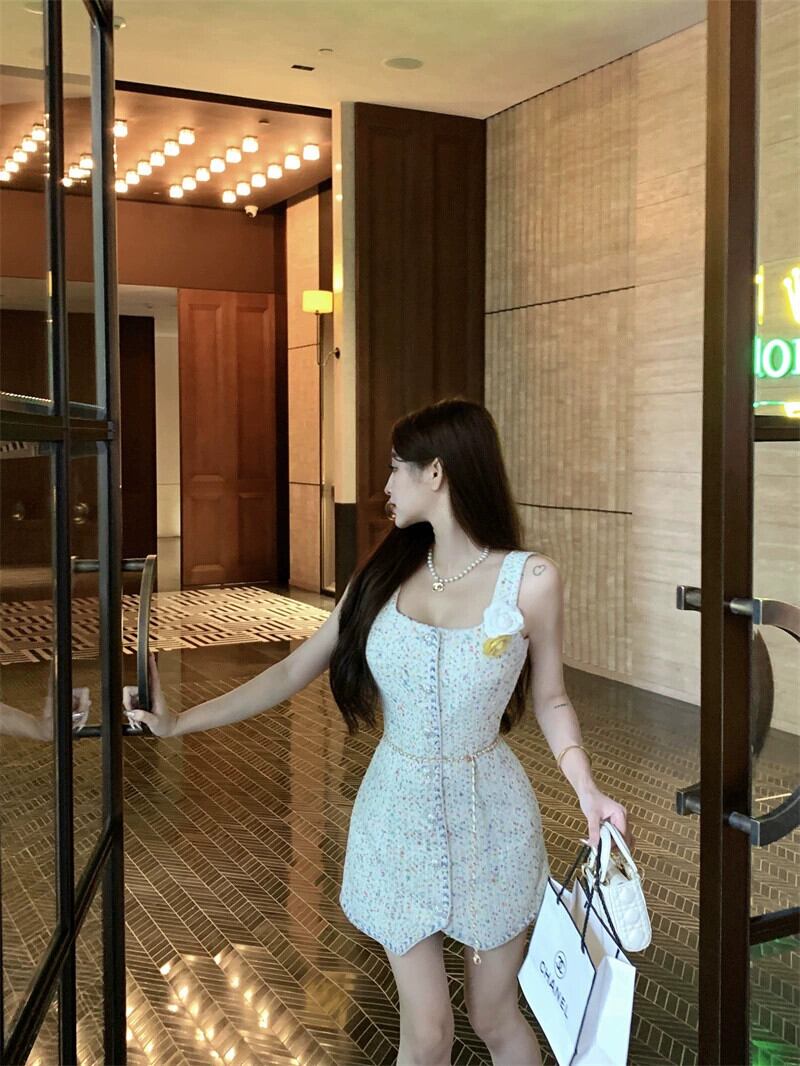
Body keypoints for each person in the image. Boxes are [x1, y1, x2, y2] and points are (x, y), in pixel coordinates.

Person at [125, 398, 630, 1066]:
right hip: (396, 820)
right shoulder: (381, 577)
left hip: (495, 824)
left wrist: (588, 790)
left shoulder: (531, 581)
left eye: (395, 468)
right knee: (428, 1033)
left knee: (495, 1014)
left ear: (436, 473)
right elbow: (293, 670)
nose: (385, 485)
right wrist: (180, 721)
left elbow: (552, 698)